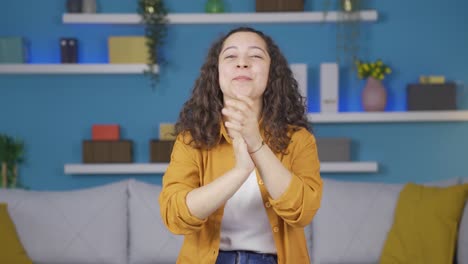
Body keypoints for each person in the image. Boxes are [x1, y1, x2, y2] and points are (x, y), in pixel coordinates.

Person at [159, 26, 322, 264]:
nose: (242, 63)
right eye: (231, 56)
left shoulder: (299, 139)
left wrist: (256, 145)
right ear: (217, 73)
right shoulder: (191, 139)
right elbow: (175, 215)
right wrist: (240, 171)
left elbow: (302, 212)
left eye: (255, 56)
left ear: (271, 72)